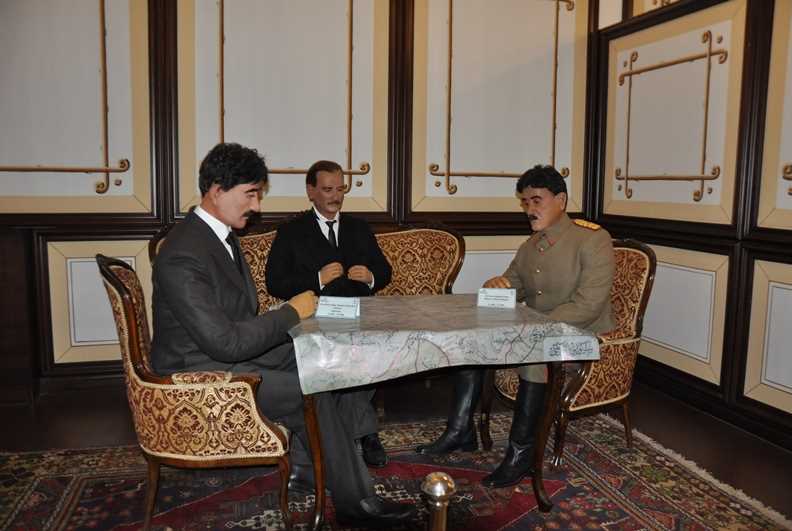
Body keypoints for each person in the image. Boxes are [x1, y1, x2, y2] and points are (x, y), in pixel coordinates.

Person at [150, 143, 412, 527]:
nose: (256, 206)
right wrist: (292, 312)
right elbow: (225, 343)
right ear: (217, 190)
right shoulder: (183, 253)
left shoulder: (215, 236)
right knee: (313, 388)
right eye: (250, 194)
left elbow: (235, 323)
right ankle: (358, 504)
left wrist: (288, 320)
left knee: (324, 361)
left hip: (222, 352)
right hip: (198, 373)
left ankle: (306, 468)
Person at [416, 164, 615, 489]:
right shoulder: (531, 246)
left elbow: (588, 305)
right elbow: (513, 286)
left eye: (537, 200)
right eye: (525, 202)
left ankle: (521, 455)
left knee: (535, 357)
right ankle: (460, 431)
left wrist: (535, 328)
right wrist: (496, 286)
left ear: (561, 200)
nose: (529, 209)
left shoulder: (593, 239)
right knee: (474, 341)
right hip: (539, 331)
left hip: (582, 335)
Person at [266, 160, 392, 467]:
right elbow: (275, 282)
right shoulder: (291, 231)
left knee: (364, 350)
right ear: (311, 191)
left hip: (360, 316)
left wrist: (371, 277)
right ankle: (366, 433)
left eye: (340, 189)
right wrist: (317, 279)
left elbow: (385, 271)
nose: (336, 196)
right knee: (347, 355)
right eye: (327, 189)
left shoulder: (359, 228)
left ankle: (346, 432)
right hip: (317, 317)